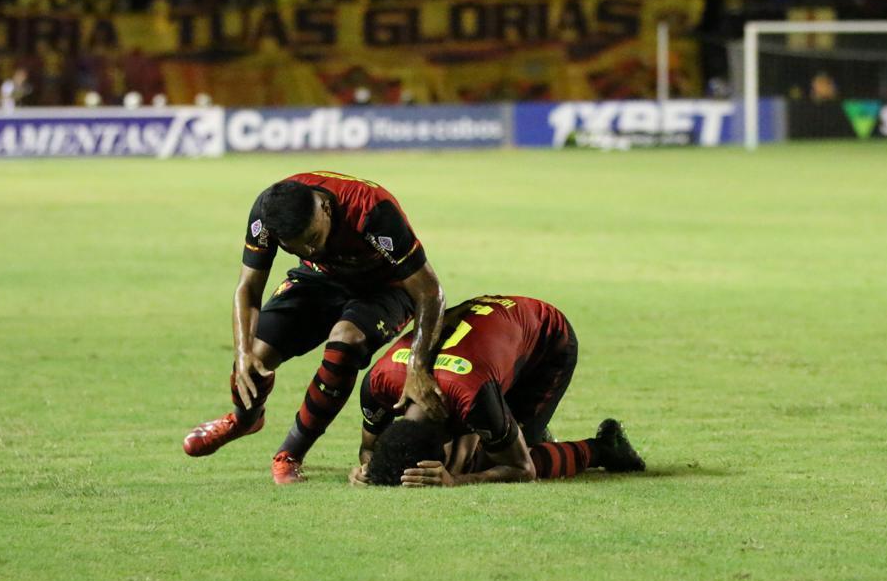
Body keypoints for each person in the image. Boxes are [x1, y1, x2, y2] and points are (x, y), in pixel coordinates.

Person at [184, 171, 447, 484]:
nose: (308, 250)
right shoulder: (267, 214)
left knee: (345, 341)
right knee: (254, 352)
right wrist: (241, 353)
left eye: (311, 240)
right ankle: (244, 420)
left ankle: (290, 454)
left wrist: (417, 366)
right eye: (296, 248)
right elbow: (248, 289)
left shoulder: (372, 212)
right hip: (320, 279)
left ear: (324, 208)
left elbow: (431, 292)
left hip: (385, 287)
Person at [349, 294, 645, 487]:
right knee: (484, 443)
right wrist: (369, 470)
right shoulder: (377, 384)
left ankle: (603, 448)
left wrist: (457, 479)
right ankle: (509, 428)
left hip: (544, 341)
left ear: (444, 440)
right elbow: (369, 449)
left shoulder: (471, 396)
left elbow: (522, 469)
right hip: (487, 351)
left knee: (500, 460)